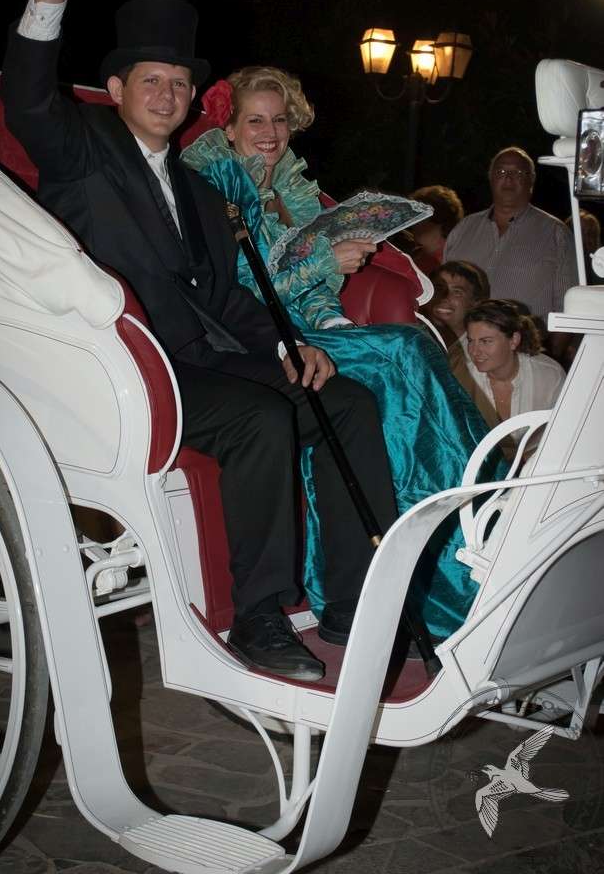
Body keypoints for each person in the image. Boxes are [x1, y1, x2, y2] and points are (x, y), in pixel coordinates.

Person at [0, 0, 401, 682]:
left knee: (345, 401)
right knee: (260, 417)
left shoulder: (199, 187)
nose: (167, 94)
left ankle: (353, 606)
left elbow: (222, 295)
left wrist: (288, 345)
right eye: (151, 81)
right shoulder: (82, 150)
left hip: (202, 358)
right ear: (115, 91)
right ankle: (259, 616)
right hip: (120, 364)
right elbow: (26, 100)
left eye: (179, 84)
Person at [181, 67, 504, 641]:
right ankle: (468, 533)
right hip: (256, 338)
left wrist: (333, 315)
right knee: (402, 351)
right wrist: (326, 263)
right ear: (228, 128)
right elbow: (239, 292)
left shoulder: (290, 186)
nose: (270, 132)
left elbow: (310, 289)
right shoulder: (218, 184)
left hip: (312, 328)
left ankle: (476, 514)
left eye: (279, 120)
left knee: (404, 352)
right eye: (255, 120)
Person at [443, 146, 578, 360]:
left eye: (518, 173)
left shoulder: (555, 233)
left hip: (525, 355)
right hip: (464, 354)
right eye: (501, 172)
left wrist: (551, 359)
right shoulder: (463, 230)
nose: (508, 179)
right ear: (490, 178)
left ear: (531, 180)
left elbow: (569, 306)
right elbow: (443, 294)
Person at [465, 299, 566, 449]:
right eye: (470, 341)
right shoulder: (463, 376)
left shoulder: (550, 376)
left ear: (513, 340)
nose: (474, 351)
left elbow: (563, 432)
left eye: (485, 341)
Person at [410, 185, 464, 273]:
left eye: (419, 218)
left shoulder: (451, 262)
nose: (412, 224)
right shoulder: (418, 255)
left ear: (439, 219)